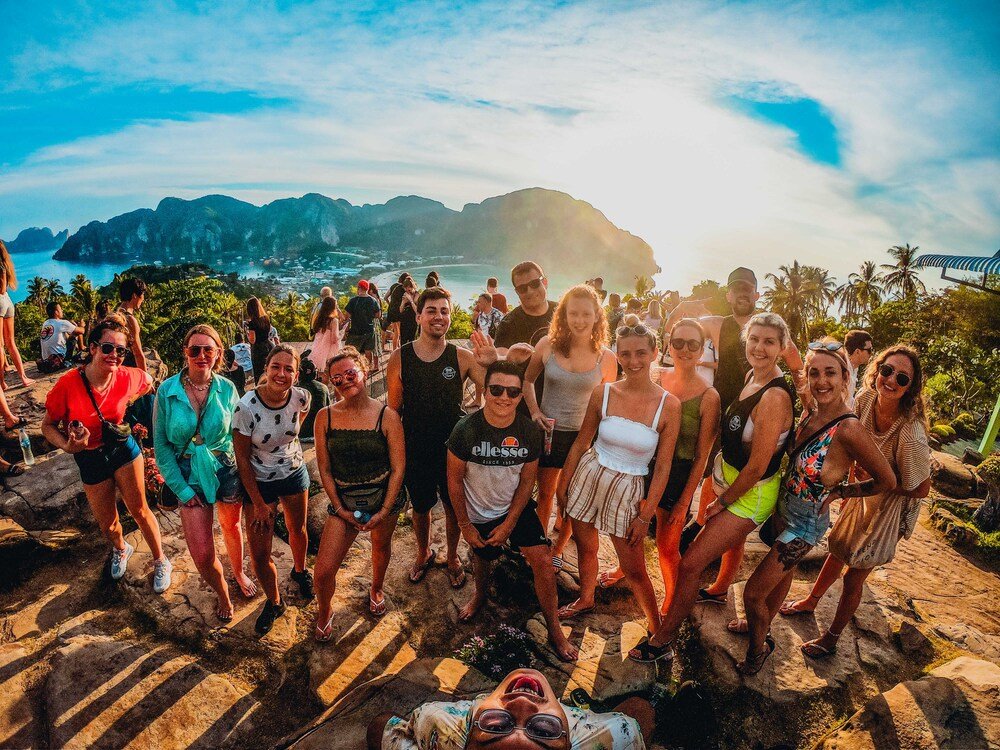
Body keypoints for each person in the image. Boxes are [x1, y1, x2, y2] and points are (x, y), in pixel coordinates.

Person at [631, 312, 795, 663]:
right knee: (696, 556)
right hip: (733, 488)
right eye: (754, 339)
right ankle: (719, 605)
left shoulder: (774, 397)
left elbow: (757, 465)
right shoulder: (754, 377)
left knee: (690, 564)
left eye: (769, 342)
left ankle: (665, 638)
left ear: (782, 348)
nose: (759, 347)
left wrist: (720, 503)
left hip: (750, 496)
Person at [731, 341, 895, 674]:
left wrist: (843, 491)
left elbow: (887, 480)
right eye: (814, 372)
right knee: (783, 577)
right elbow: (790, 359)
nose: (822, 380)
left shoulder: (849, 429)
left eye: (830, 373)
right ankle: (759, 625)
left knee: (752, 593)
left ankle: (757, 651)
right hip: (783, 509)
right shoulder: (811, 411)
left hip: (804, 525)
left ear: (846, 376)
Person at [780, 344, 931, 660]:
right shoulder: (864, 401)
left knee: (854, 574)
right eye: (887, 371)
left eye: (901, 378)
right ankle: (812, 601)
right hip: (863, 492)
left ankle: (831, 639)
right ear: (877, 371)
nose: (890, 381)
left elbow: (920, 489)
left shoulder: (911, 431)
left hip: (890, 505)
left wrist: (866, 485)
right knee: (836, 550)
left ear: (910, 388)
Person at [671, 267, 804, 600]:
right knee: (705, 483)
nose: (742, 294)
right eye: (735, 289)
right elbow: (680, 318)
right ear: (728, 294)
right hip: (722, 416)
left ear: (757, 294)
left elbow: (798, 365)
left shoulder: (769, 331)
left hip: (756, 421)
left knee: (732, 508)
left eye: (748, 289)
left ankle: (719, 582)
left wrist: (806, 399)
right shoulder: (717, 324)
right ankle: (696, 541)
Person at [448, 360, 579, 661]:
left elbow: (526, 482)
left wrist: (510, 524)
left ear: (521, 395)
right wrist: (466, 526)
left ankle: (555, 630)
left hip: (514, 509)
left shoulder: (528, 431)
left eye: (512, 391)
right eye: (496, 389)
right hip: (478, 510)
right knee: (482, 557)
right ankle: (480, 595)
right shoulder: (465, 430)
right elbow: (453, 481)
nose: (504, 397)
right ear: (484, 391)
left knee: (543, 560)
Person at [556, 324, 680, 637]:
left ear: (654, 353)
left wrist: (646, 513)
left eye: (641, 352)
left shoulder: (669, 405)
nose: (633, 359)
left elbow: (663, 466)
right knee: (586, 546)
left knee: (635, 569)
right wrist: (563, 483)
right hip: (588, 476)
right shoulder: (604, 392)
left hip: (628, 490)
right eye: (625, 353)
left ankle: (657, 628)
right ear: (618, 355)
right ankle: (586, 598)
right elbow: (582, 442)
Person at [42, 317, 171, 591]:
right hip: (89, 457)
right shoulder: (67, 385)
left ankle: (161, 559)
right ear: (92, 348)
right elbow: (47, 425)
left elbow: (148, 382)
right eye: (107, 348)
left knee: (140, 510)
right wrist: (67, 445)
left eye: (121, 350)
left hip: (122, 449)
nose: (114, 355)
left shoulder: (126, 376)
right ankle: (121, 547)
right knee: (108, 524)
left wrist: (133, 406)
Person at [599, 319, 721, 610]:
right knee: (631, 526)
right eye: (678, 343)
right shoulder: (656, 376)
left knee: (668, 546)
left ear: (703, 349)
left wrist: (684, 502)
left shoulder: (709, 397)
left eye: (693, 344)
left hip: (677, 473)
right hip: (643, 465)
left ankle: (672, 602)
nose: (685, 350)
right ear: (668, 345)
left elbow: (702, 456)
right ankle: (625, 570)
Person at [385, 287, 495, 589]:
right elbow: (394, 411)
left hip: (453, 449)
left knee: (452, 506)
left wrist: (490, 364)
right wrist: (393, 452)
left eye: (444, 311)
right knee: (420, 506)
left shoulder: (462, 357)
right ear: (419, 316)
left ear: (450, 317)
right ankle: (423, 553)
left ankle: (451, 556)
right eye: (431, 310)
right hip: (415, 445)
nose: (439, 317)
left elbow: (494, 393)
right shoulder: (400, 358)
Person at [153, 325, 256, 621]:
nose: (201, 355)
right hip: (187, 472)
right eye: (195, 349)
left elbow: (239, 434)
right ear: (185, 353)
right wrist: (183, 490)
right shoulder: (168, 391)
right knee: (202, 555)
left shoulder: (227, 388)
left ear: (218, 354)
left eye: (208, 350)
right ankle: (222, 591)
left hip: (223, 467)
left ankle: (238, 572)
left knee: (231, 527)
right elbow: (161, 445)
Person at [313, 347, 407, 639]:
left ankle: (376, 588)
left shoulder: (387, 416)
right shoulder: (324, 417)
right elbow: (325, 469)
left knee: (380, 548)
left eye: (350, 373)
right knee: (324, 570)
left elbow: (398, 468)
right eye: (336, 378)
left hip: (384, 496)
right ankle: (325, 609)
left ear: (364, 371)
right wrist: (340, 509)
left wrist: (383, 510)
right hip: (344, 500)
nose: (344, 381)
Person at [522, 285, 616, 568]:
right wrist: (535, 411)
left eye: (585, 314)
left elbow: (608, 401)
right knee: (546, 494)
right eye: (573, 313)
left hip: (584, 438)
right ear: (563, 314)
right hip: (549, 433)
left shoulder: (606, 357)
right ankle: (539, 546)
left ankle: (559, 549)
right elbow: (527, 381)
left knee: (572, 500)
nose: (579, 320)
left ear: (597, 316)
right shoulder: (547, 346)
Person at [233, 344, 313, 634]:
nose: (281, 374)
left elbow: (296, 426)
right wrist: (258, 502)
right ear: (265, 368)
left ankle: (300, 570)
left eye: (288, 368)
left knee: (298, 529)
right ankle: (275, 601)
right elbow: (241, 457)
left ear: (296, 373)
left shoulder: (301, 397)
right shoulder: (246, 407)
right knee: (259, 552)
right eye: (275, 367)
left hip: (292, 471)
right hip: (259, 480)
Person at [369, 667, 653, 749]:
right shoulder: (616, 734)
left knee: (383, 724)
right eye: (543, 728)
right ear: (569, 740)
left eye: (495, 725)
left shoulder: (438, 725)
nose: (522, 702)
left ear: (465, 736)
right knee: (637, 713)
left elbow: (380, 727)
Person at [493, 262, 557, 352]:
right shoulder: (508, 325)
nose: (530, 291)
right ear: (517, 292)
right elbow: (501, 355)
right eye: (522, 288)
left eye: (534, 283)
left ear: (544, 282)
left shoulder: (563, 312)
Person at [0, 240, 34, 387]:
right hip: (7, 302)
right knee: (10, 343)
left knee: (1, 345)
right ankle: (23, 377)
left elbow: (0, 289)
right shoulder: (5, 265)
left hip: (0, 301)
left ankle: (1, 383)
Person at [343, 279, 382, 368]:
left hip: (355, 331)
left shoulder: (353, 300)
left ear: (359, 288)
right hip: (369, 330)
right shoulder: (373, 300)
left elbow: (347, 316)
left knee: (351, 351)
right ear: (367, 289)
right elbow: (378, 315)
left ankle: (353, 368)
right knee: (368, 351)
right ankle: (367, 367)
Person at [39, 301, 84, 371]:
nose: (62, 311)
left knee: (68, 332)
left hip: (47, 360)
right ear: (56, 312)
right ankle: (81, 349)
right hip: (59, 360)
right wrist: (81, 325)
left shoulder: (46, 323)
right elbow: (81, 331)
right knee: (76, 332)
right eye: (60, 309)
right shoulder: (62, 323)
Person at [308, 296, 344, 376]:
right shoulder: (333, 321)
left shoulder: (319, 319)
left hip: (318, 349)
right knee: (329, 373)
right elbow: (334, 339)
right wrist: (341, 334)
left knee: (320, 372)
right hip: (330, 350)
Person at [297, 358, 330, 443]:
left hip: (299, 434)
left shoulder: (295, 389)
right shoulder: (323, 388)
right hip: (317, 434)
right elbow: (328, 410)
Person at [245, 296, 274, 382]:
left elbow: (252, 340)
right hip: (268, 346)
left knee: (259, 374)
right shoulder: (266, 319)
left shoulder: (252, 323)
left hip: (258, 349)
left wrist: (247, 333)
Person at [844, 329, 874, 407]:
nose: (871, 353)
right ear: (857, 352)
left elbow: (849, 399)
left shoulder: (854, 367)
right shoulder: (842, 370)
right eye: (869, 350)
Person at [385, 273, 411, 351]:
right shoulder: (404, 289)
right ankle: (395, 351)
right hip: (399, 312)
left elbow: (386, 297)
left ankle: (397, 348)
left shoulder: (394, 286)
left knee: (396, 331)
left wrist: (390, 304)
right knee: (397, 332)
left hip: (391, 310)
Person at [397, 277, 419, 348]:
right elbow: (400, 310)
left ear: (412, 286)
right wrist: (403, 302)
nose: (407, 290)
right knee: (403, 342)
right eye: (405, 288)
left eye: (409, 287)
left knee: (412, 342)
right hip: (404, 321)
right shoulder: (405, 294)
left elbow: (417, 311)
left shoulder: (417, 295)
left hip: (413, 321)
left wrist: (411, 300)